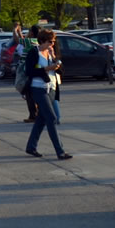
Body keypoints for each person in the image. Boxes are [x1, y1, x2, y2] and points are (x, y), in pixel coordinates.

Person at [24, 28, 72, 160]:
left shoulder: (51, 53)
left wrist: (56, 60)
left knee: (42, 119)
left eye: (54, 42)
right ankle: (60, 151)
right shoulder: (34, 52)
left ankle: (31, 147)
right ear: (43, 40)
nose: (52, 44)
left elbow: (61, 70)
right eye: (50, 42)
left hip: (51, 88)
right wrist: (46, 69)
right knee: (52, 118)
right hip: (38, 88)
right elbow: (29, 71)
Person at [16, 24, 40, 123]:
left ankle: (33, 115)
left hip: (27, 69)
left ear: (32, 33)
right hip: (34, 69)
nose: (28, 33)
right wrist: (19, 32)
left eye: (29, 31)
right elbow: (22, 39)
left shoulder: (31, 41)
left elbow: (17, 40)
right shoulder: (36, 41)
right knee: (31, 92)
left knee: (28, 92)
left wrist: (15, 30)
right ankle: (36, 114)